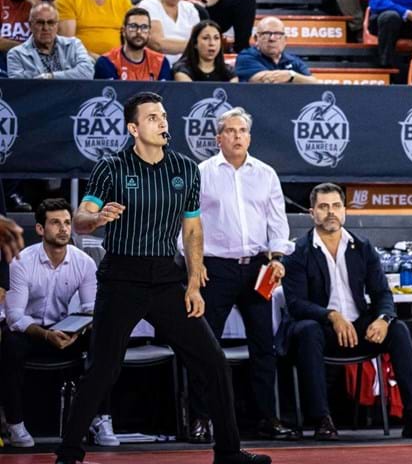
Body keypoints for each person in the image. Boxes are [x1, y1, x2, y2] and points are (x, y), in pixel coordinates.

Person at [57, 91, 271, 464]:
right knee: (103, 369)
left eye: (163, 116)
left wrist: (192, 284)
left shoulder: (185, 169)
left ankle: (229, 452)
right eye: (152, 117)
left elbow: (192, 230)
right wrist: (97, 218)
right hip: (121, 277)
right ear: (133, 128)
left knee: (214, 362)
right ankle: (69, 452)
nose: (162, 122)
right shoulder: (112, 167)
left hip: (167, 278)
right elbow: (81, 218)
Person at [282, 183, 412, 440]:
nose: (330, 212)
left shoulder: (362, 246)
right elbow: (296, 303)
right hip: (322, 328)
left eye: (335, 206)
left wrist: (383, 318)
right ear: (312, 213)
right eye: (323, 207)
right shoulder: (298, 251)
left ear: (344, 210)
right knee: (307, 331)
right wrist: (331, 316)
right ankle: (322, 420)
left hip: (359, 328)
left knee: (397, 329)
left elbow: (382, 294)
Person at [190, 107, 298, 442]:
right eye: (231, 131)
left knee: (263, 347)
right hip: (214, 269)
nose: (237, 136)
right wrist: (195, 265)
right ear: (218, 137)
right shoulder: (202, 173)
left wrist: (278, 257)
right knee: (205, 347)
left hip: (257, 268)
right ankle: (201, 419)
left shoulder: (265, 174)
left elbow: (277, 222)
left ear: (249, 136)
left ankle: (265, 418)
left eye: (243, 131)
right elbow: (188, 225)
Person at [1, 197, 118, 449]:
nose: (64, 228)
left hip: (64, 329)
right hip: (28, 332)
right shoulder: (21, 262)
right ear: (41, 229)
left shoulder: (83, 262)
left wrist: (79, 330)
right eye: (55, 223)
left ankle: (101, 419)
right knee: (9, 344)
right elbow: (15, 317)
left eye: (67, 222)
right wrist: (45, 335)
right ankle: (14, 423)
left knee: (103, 338)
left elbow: (90, 309)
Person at [6, 0, 93, 79]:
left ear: (57, 25)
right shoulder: (16, 54)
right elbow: (17, 87)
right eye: (40, 22)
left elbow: (87, 72)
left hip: (71, 96)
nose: (46, 28)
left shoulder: (74, 45)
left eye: (51, 23)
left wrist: (50, 77)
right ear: (30, 25)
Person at [139, 0, 200, 65]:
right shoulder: (149, 4)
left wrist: (198, 45)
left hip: (186, 66)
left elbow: (199, 39)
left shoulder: (190, 9)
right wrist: (195, 46)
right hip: (157, 65)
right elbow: (158, 44)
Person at [93, 6, 171, 81]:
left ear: (149, 33)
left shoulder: (161, 62)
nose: (139, 32)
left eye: (144, 27)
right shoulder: (107, 62)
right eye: (133, 26)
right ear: (123, 31)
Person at [235, 16, 318, 84]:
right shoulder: (246, 57)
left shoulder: (293, 60)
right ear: (256, 39)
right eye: (266, 34)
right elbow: (264, 81)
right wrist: (294, 78)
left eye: (278, 34)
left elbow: (314, 83)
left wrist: (291, 75)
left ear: (285, 40)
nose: (272, 38)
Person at [172, 20, 238, 83]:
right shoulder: (182, 71)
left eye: (216, 38)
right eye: (205, 38)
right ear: (195, 43)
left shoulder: (229, 72)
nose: (212, 43)